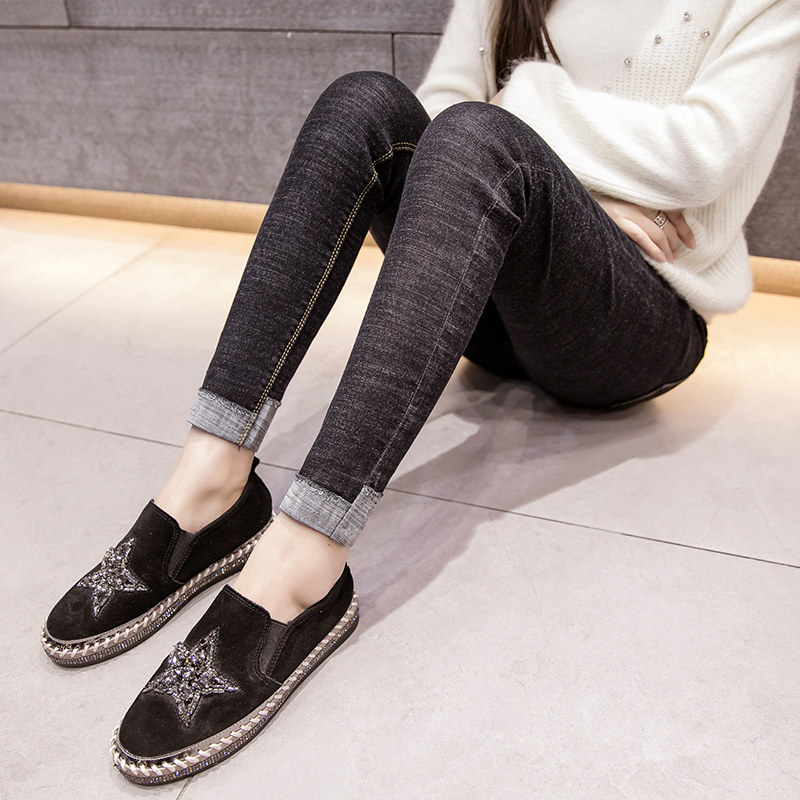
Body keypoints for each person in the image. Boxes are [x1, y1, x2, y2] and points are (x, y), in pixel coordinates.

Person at [41, 0, 799, 786]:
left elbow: (706, 157)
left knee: (480, 136)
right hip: (490, 295)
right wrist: (577, 186)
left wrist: (536, 140)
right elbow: (435, 111)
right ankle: (209, 484)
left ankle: (302, 563)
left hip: (629, 323)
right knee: (364, 103)